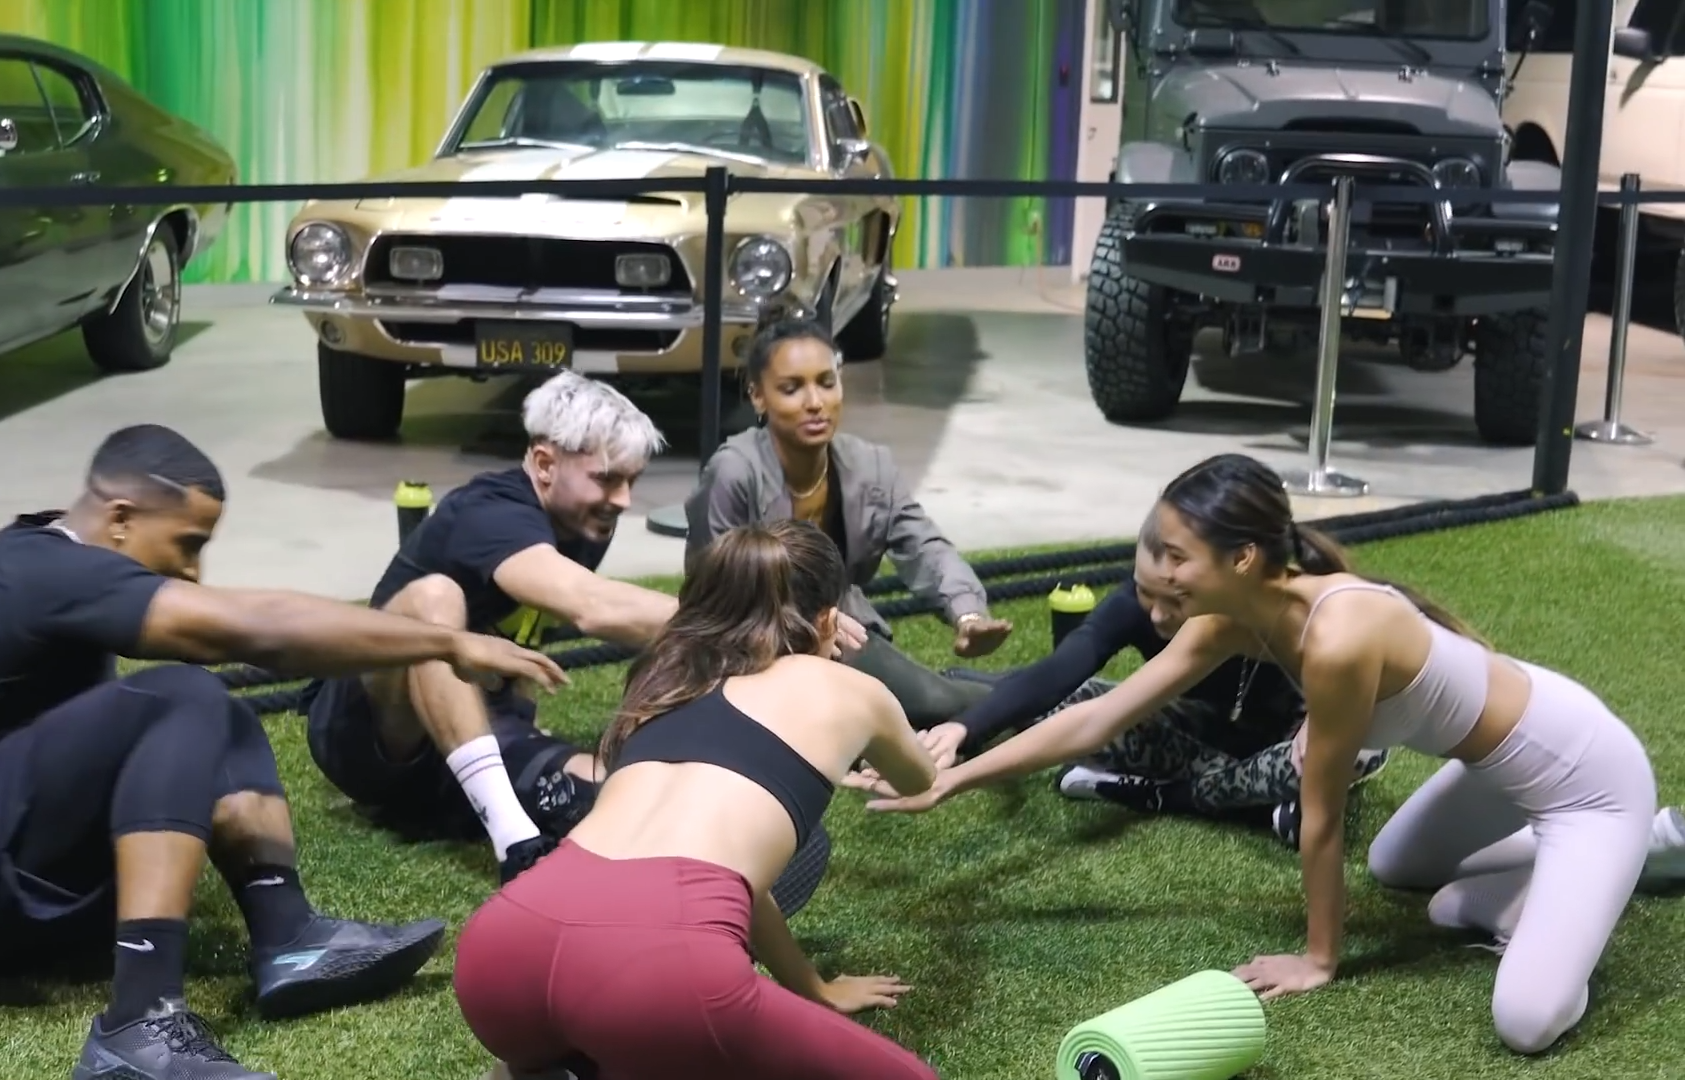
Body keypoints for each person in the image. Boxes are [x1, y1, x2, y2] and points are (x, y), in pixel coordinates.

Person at [863, 452, 1685, 1055]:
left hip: (1590, 781)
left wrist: (1319, 959)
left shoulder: (1339, 637)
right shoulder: (1228, 623)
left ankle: (1632, 847)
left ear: (1243, 558)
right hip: (1496, 773)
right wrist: (953, 778)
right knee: (1402, 874)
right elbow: (1094, 719)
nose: (1161, 574)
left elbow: (1319, 817)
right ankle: (1578, 875)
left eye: (1176, 557)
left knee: (1527, 1020)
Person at [0, 424, 570, 1080]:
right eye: (186, 545)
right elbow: (256, 628)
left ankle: (289, 937)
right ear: (120, 519)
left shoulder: (69, 570)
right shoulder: (36, 566)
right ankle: (137, 1022)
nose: (192, 571)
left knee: (210, 706)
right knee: (181, 693)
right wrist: (444, 641)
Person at [451, 520, 942, 1080]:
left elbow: (732, 887)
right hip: (659, 975)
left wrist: (814, 987)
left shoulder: (668, 684)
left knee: (614, 1029)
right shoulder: (851, 689)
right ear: (830, 620)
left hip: (505, 947)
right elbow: (919, 778)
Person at [304, 371, 680, 883]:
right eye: (608, 479)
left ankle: (474, 797)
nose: (623, 500)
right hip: (368, 733)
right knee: (435, 596)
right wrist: (746, 619)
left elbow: (523, 632)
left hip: (471, 733)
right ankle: (514, 840)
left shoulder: (584, 521)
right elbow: (592, 606)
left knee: (612, 791)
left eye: (632, 481)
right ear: (544, 464)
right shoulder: (489, 512)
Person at [906, 508, 1389, 841]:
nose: (1157, 615)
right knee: (1069, 704)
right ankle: (1259, 805)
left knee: (1349, 753)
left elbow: (1368, 677)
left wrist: (1322, 714)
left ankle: (1163, 796)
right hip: (1202, 738)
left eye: (1175, 598)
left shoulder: (1285, 607)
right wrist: (965, 729)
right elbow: (1064, 671)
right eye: (1144, 591)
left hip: (1293, 747)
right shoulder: (1153, 612)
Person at [683, 318, 1012, 728]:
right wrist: (800, 624)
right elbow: (714, 594)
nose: (815, 402)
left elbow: (926, 546)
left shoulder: (869, 466)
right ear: (758, 396)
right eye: (791, 388)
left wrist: (968, 614)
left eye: (826, 383)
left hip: (842, 637)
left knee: (930, 704)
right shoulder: (733, 472)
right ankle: (1027, 696)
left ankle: (1030, 693)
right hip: (753, 653)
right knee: (937, 706)